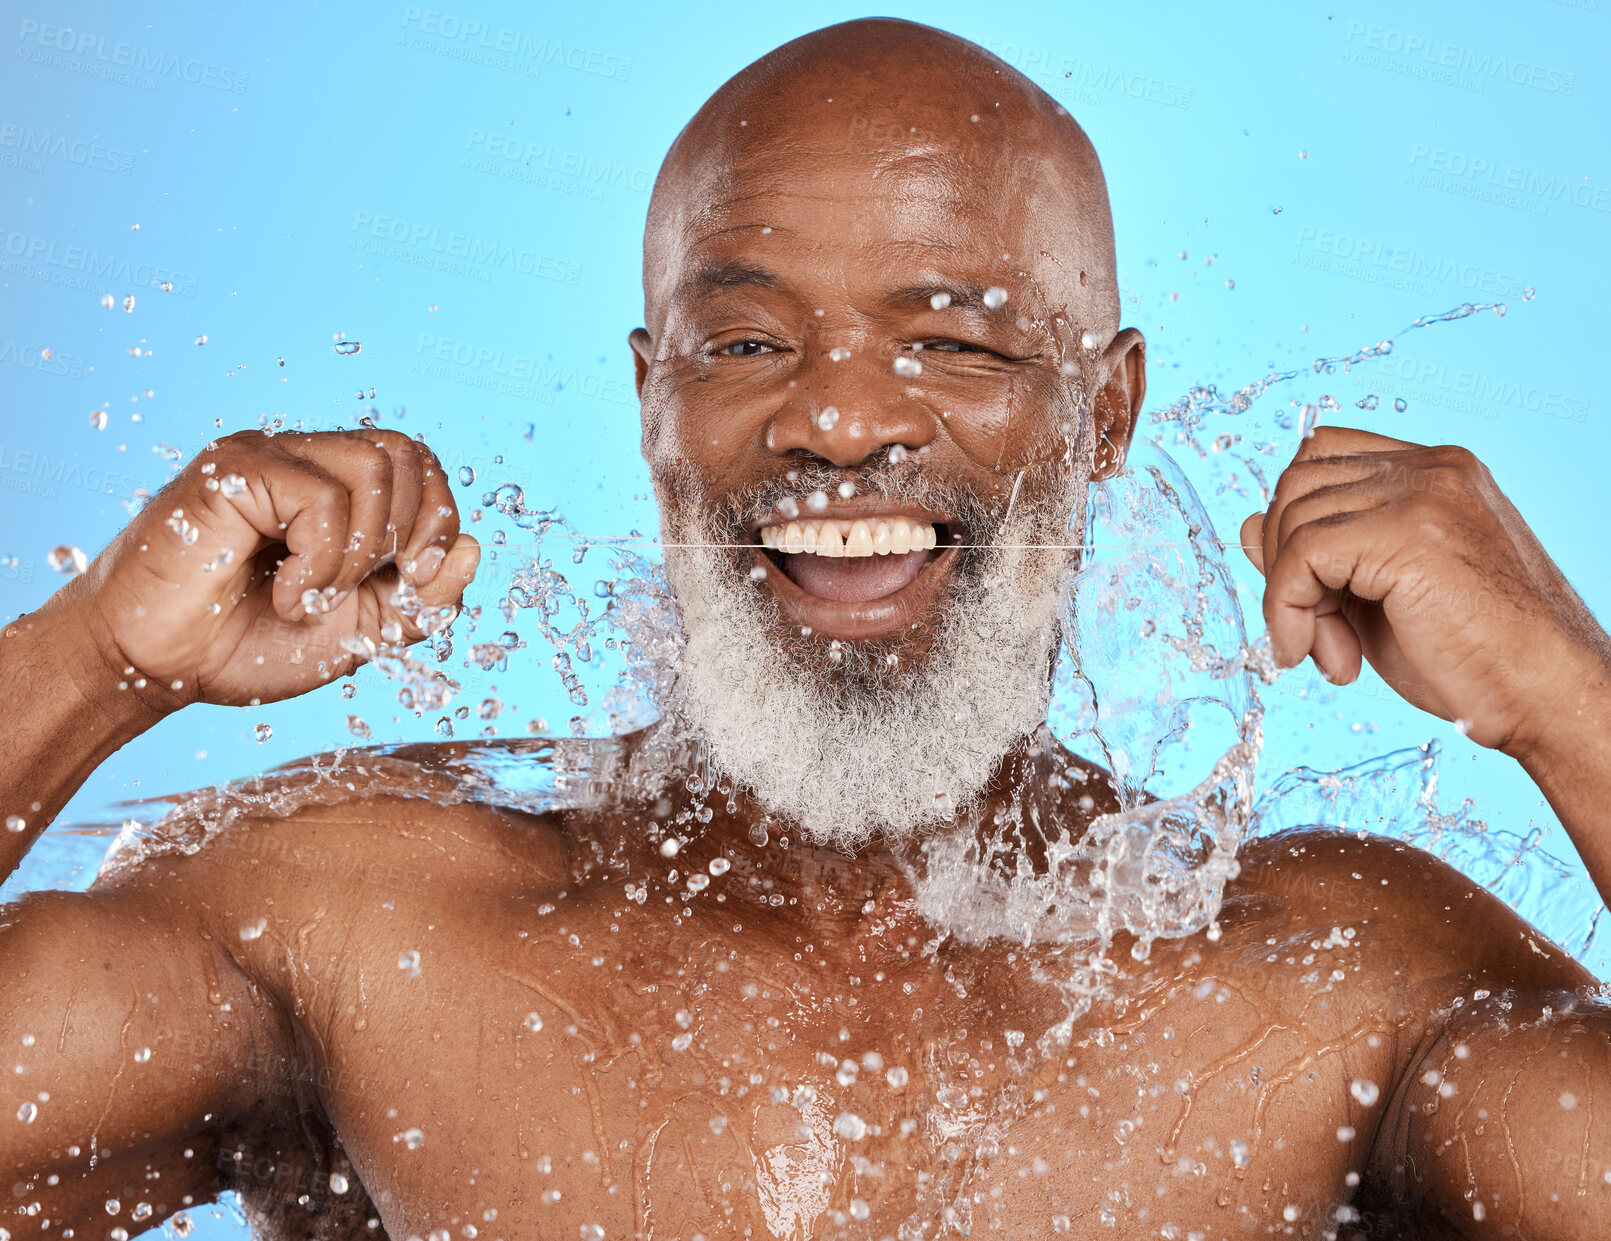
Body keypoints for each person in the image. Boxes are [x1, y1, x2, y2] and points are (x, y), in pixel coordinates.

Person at [2, 18, 1608, 1241]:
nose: (840, 419)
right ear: (652, 403)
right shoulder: (371, 931)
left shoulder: (1329, 991)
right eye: (751, 340)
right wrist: (91, 661)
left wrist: (1567, 697)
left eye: (957, 344)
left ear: (1104, 411)